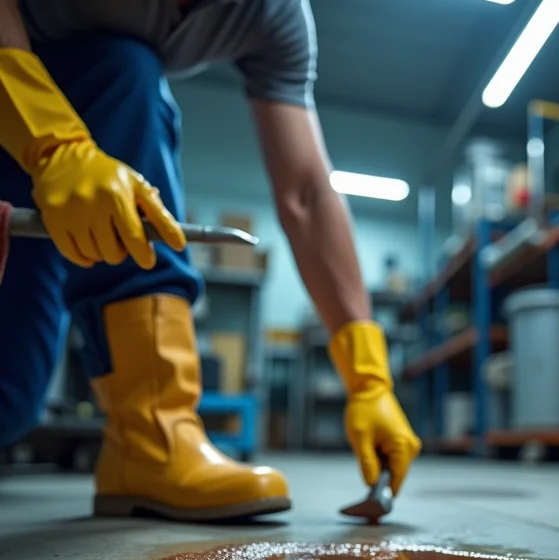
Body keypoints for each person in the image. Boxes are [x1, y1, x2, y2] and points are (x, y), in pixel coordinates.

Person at [0, 0, 421, 521]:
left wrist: (368, 379)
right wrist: (54, 145)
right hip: (28, 118)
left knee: (9, 401)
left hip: (59, 172)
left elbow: (308, 194)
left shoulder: (273, 15)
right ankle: (156, 433)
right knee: (124, 69)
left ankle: (143, 446)